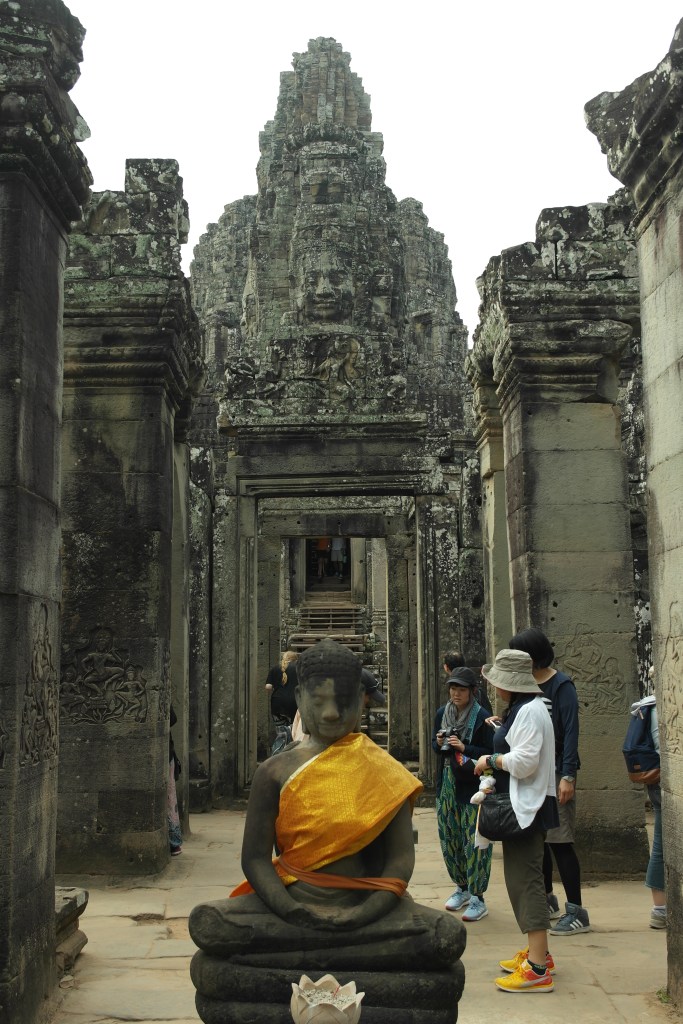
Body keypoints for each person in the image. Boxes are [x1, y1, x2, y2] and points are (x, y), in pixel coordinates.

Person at [473, 648, 559, 993]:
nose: (495, 687)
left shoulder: (529, 712)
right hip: (525, 802)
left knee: (527, 883)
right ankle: (541, 955)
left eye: (498, 681)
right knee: (522, 879)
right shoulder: (525, 709)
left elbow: (524, 762)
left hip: (528, 805)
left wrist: (490, 759)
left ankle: (538, 969)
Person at [509, 627, 590, 934]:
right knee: (539, 841)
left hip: (556, 773)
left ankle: (577, 911)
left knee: (561, 842)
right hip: (533, 772)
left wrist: (568, 776)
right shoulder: (524, 684)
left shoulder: (561, 684)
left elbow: (571, 732)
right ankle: (547, 899)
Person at [433, 667, 494, 921]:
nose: (456, 693)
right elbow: (439, 751)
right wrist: (440, 745)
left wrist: (464, 746)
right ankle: (462, 887)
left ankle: (478, 896)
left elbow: (490, 751)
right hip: (447, 782)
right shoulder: (442, 714)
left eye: (461, 689)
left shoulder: (482, 718)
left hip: (472, 785)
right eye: (453, 688)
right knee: (450, 835)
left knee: (475, 840)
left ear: (473, 691)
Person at [633, 668, 665, 929]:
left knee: (662, 842)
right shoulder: (657, 709)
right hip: (665, 781)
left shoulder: (648, 707)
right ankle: (661, 908)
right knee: (663, 844)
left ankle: (661, 908)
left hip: (658, 782)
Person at [265, 651, 299, 754]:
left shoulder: (275, 668)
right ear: (295, 660)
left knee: (281, 733)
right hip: (294, 704)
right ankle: (291, 758)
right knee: (294, 733)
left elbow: (268, 687)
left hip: (277, 704)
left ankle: (276, 756)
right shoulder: (298, 668)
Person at [443, 649, 492, 714]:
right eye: (453, 689)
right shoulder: (443, 713)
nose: (456, 694)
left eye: (462, 690)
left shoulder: (481, 713)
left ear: (446, 667)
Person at [168, 705, 182, 856]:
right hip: (166, 751)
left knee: (170, 798)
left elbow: (172, 718)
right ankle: (174, 842)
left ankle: (174, 841)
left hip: (167, 752)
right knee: (170, 799)